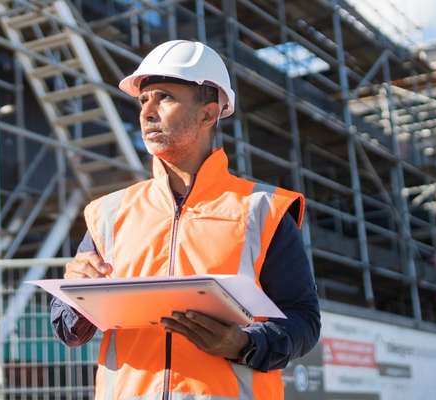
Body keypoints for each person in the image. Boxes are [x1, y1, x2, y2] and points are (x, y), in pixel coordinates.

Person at [50, 40, 320, 399]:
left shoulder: (263, 210)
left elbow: (303, 321)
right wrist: (75, 297)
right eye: (143, 100)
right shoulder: (108, 213)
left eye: (164, 97)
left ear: (208, 115)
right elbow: (67, 329)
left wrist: (244, 343)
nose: (148, 111)